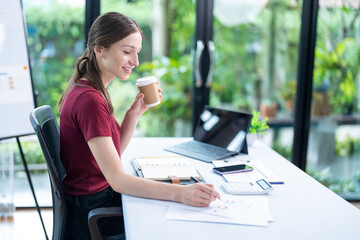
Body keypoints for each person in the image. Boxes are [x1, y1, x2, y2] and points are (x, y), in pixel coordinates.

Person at [58, 12, 220, 240]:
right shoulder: (90, 100)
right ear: (99, 49)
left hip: (95, 201)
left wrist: (134, 114)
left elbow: (112, 155)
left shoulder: (90, 89)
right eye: (127, 52)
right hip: (92, 212)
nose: (135, 62)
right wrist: (181, 194)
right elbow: (118, 180)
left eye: (137, 52)